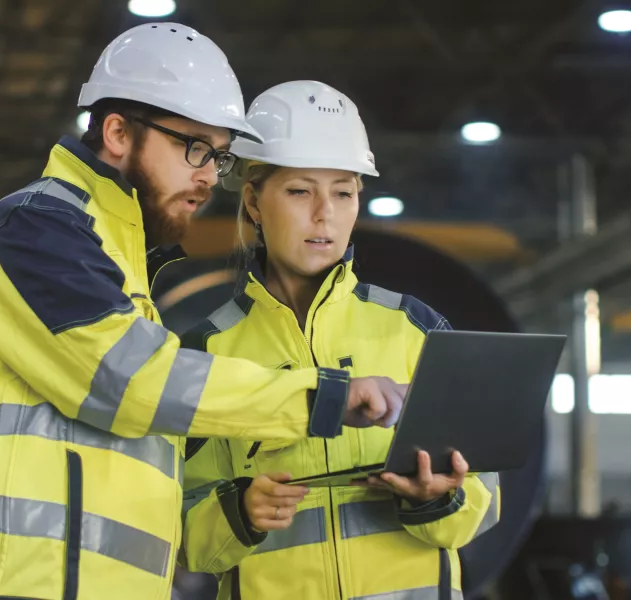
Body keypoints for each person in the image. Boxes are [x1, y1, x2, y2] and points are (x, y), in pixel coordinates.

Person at [0, 26, 407, 600]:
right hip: (19, 585)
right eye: (193, 147)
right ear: (118, 132)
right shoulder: (35, 230)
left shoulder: (120, 266)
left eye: (217, 157)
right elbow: (129, 379)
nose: (206, 176)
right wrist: (322, 397)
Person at [180, 81, 501, 600]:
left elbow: (480, 505)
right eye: (300, 191)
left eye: (343, 192)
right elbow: (180, 529)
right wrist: (238, 513)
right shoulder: (206, 353)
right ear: (254, 203)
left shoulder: (417, 329)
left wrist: (435, 498)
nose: (324, 213)